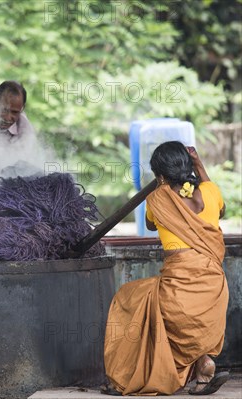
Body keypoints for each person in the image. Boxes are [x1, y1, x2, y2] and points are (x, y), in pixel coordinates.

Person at [102, 141, 229, 396]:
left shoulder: (157, 199)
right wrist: (199, 164)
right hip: (214, 289)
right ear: (189, 166)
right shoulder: (211, 192)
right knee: (173, 319)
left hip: (179, 289)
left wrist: (162, 186)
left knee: (129, 300)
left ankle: (127, 377)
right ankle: (203, 364)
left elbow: (150, 226)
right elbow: (222, 209)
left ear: (159, 175)